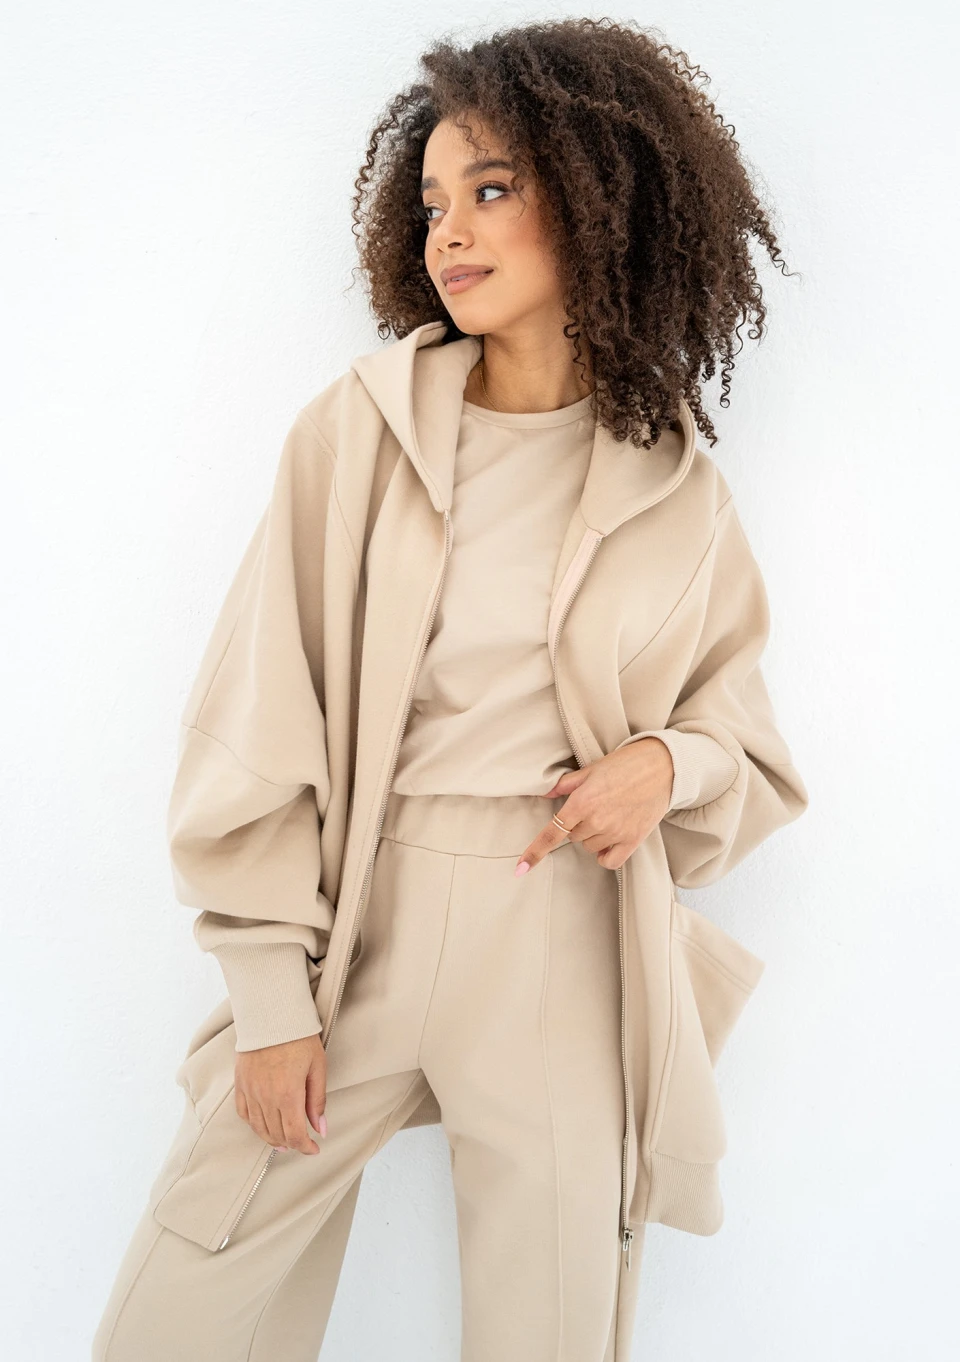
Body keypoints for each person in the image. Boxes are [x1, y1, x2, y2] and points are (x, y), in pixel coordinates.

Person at [93, 16, 809, 1362]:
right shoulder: (360, 433)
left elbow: (745, 745)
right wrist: (271, 1002)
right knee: (175, 1313)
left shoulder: (677, 489)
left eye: (491, 190)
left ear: (598, 200)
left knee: (549, 1332)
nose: (450, 234)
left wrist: (666, 766)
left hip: (562, 947)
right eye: (432, 203)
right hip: (362, 926)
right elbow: (260, 714)